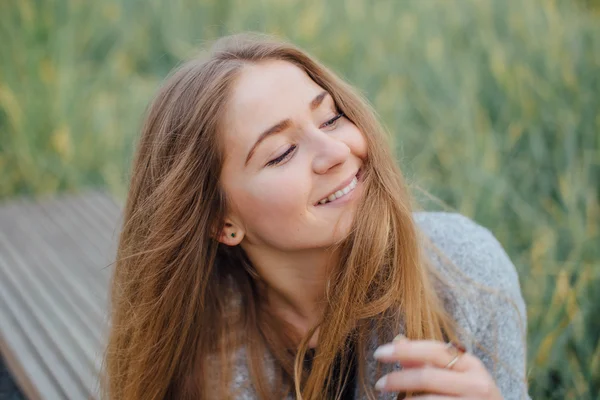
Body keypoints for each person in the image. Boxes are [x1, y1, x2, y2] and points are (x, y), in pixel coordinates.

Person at [103, 33, 530, 400]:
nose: (336, 153)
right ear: (220, 221)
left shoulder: (466, 274)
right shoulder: (202, 357)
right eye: (282, 153)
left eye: (331, 119)